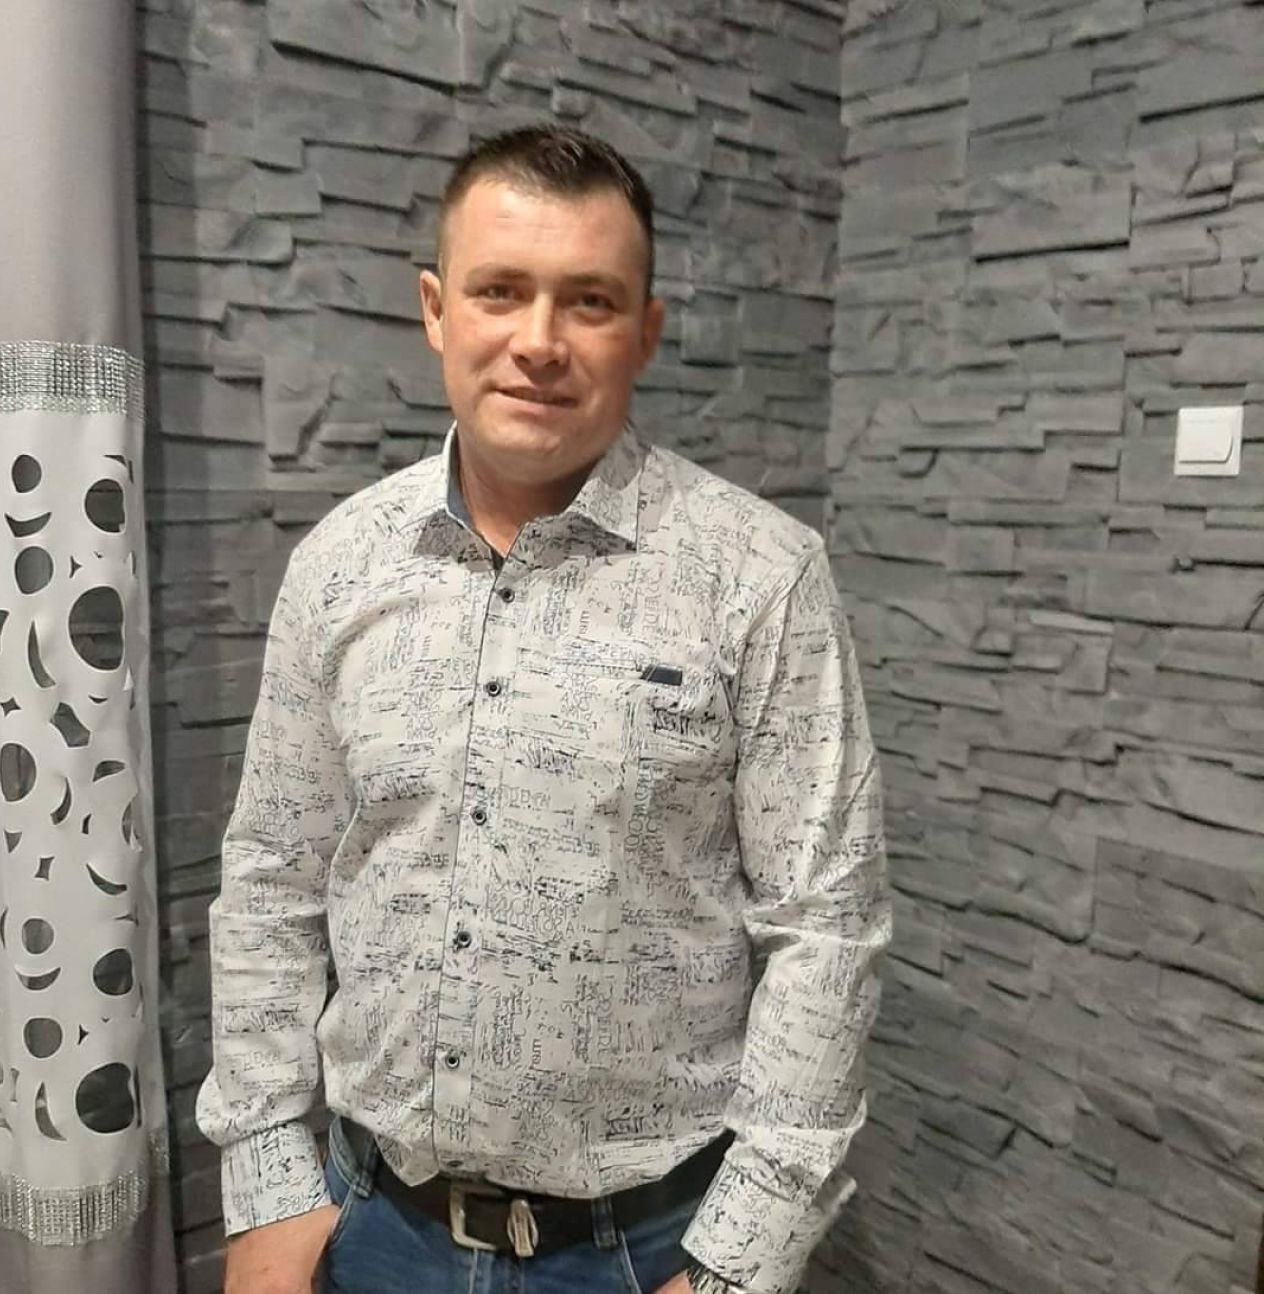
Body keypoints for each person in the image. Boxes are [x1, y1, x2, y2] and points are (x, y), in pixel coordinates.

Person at [196, 125, 890, 1294]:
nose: (537, 341)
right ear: (435, 309)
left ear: (644, 331)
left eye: (589, 301)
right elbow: (272, 878)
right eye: (499, 291)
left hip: (646, 1252)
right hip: (376, 1230)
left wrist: (739, 1265)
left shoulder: (760, 576)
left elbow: (825, 927)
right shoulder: (340, 567)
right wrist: (267, 1185)